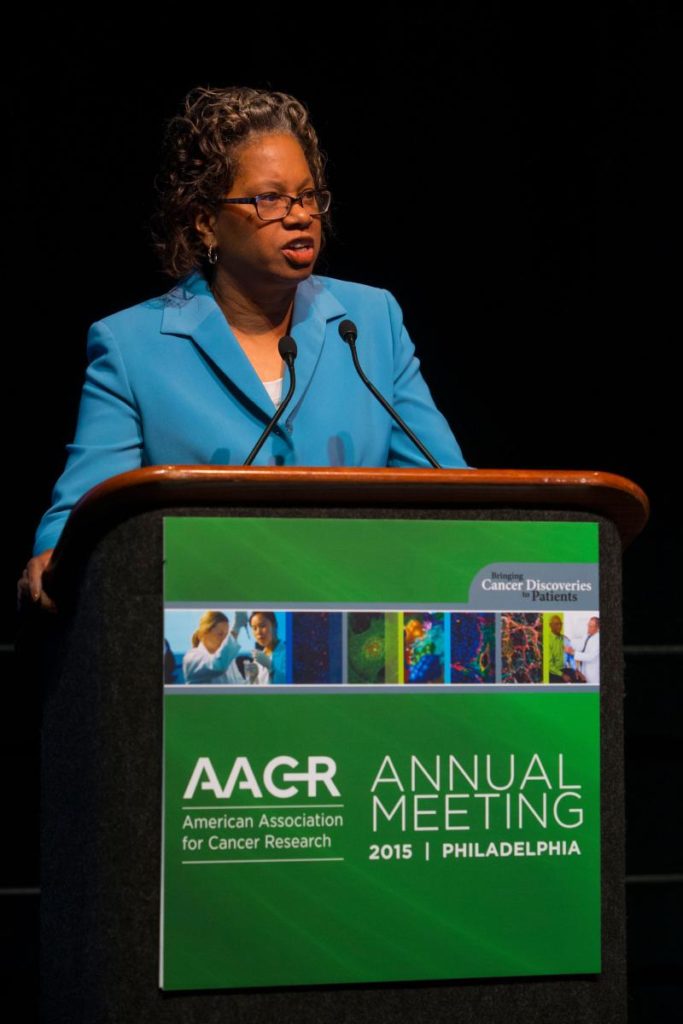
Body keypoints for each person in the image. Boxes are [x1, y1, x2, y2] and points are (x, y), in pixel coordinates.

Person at [18, 85, 468, 612]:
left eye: (308, 195)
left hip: (355, 606)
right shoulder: (131, 347)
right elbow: (82, 511)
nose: (299, 215)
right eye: (269, 199)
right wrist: (54, 557)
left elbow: (451, 488)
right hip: (200, 618)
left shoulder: (370, 322)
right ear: (206, 220)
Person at [182, 610, 247, 685]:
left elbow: (239, 685)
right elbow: (218, 666)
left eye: (226, 635)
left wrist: (251, 678)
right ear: (202, 635)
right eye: (220, 634)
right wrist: (236, 627)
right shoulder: (191, 658)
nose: (225, 640)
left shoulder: (228, 659)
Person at [250, 611, 287, 684]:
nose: (258, 632)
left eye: (262, 626)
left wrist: (271, 667)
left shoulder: (287, 653)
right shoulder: (258, 658)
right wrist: (252, 679)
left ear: (274, 626)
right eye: (254, 628)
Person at [567, 616, 600, 686]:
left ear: (597, 628)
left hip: (592, 674)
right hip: (584, 670)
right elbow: (581, 646)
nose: (588, 628)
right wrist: (569, 644)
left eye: (591, 626)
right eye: (588, 625)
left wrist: (573, 653)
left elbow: (590, 657)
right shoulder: (587, 635)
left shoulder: (598, 640)